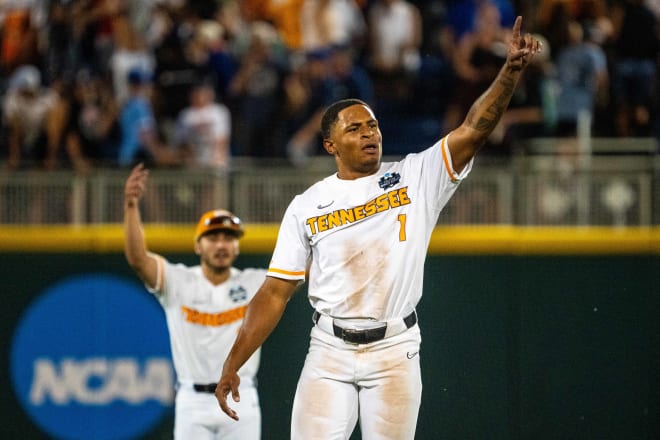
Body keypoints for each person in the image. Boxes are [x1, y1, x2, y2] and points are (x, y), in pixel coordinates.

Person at [215, 16, 541, 439]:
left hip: (394, 350)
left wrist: (509, 72)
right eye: (355, 128)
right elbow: (275, 292)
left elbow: (475, 128)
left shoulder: (415, 175)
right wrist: (233, 362)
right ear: (331, 145)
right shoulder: (308, 203)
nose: (369, 133)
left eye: (372, 124)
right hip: (329, 350)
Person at [123, 162, 266, 439]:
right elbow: (138, 259)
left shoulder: (254, 282)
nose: (221, 244)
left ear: (237, 246)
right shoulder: (178, 280)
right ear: (197, 245)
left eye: (228, 238)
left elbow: (300, 272)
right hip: (193, 401)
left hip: (241, 395)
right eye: (213, 238)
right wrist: (131, 206)